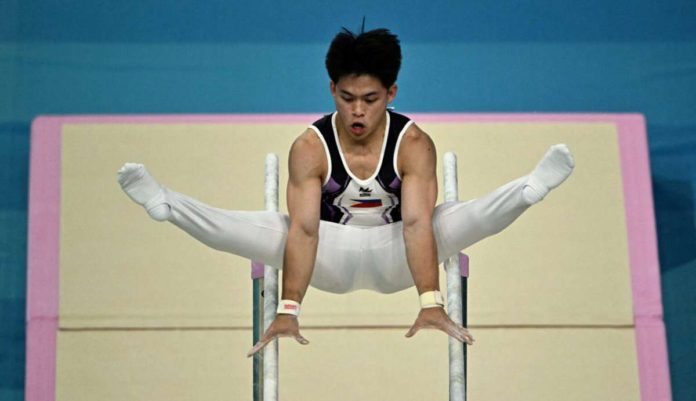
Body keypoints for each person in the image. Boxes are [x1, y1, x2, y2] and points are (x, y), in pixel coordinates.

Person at [117, 27, 575, 357]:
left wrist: (430, 301)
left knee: (448, 219)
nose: (357, 111)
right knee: (269, 229)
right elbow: (305, 232)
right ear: (332, 88)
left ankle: (527, 191)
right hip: (328, 259)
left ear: (391, 92)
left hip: (398, 254)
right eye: (347, 97)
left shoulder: (413, 143)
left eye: (371, 99)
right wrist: (289, 308)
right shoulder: (309, 148)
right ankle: (169, 206)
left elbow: (416, 225)